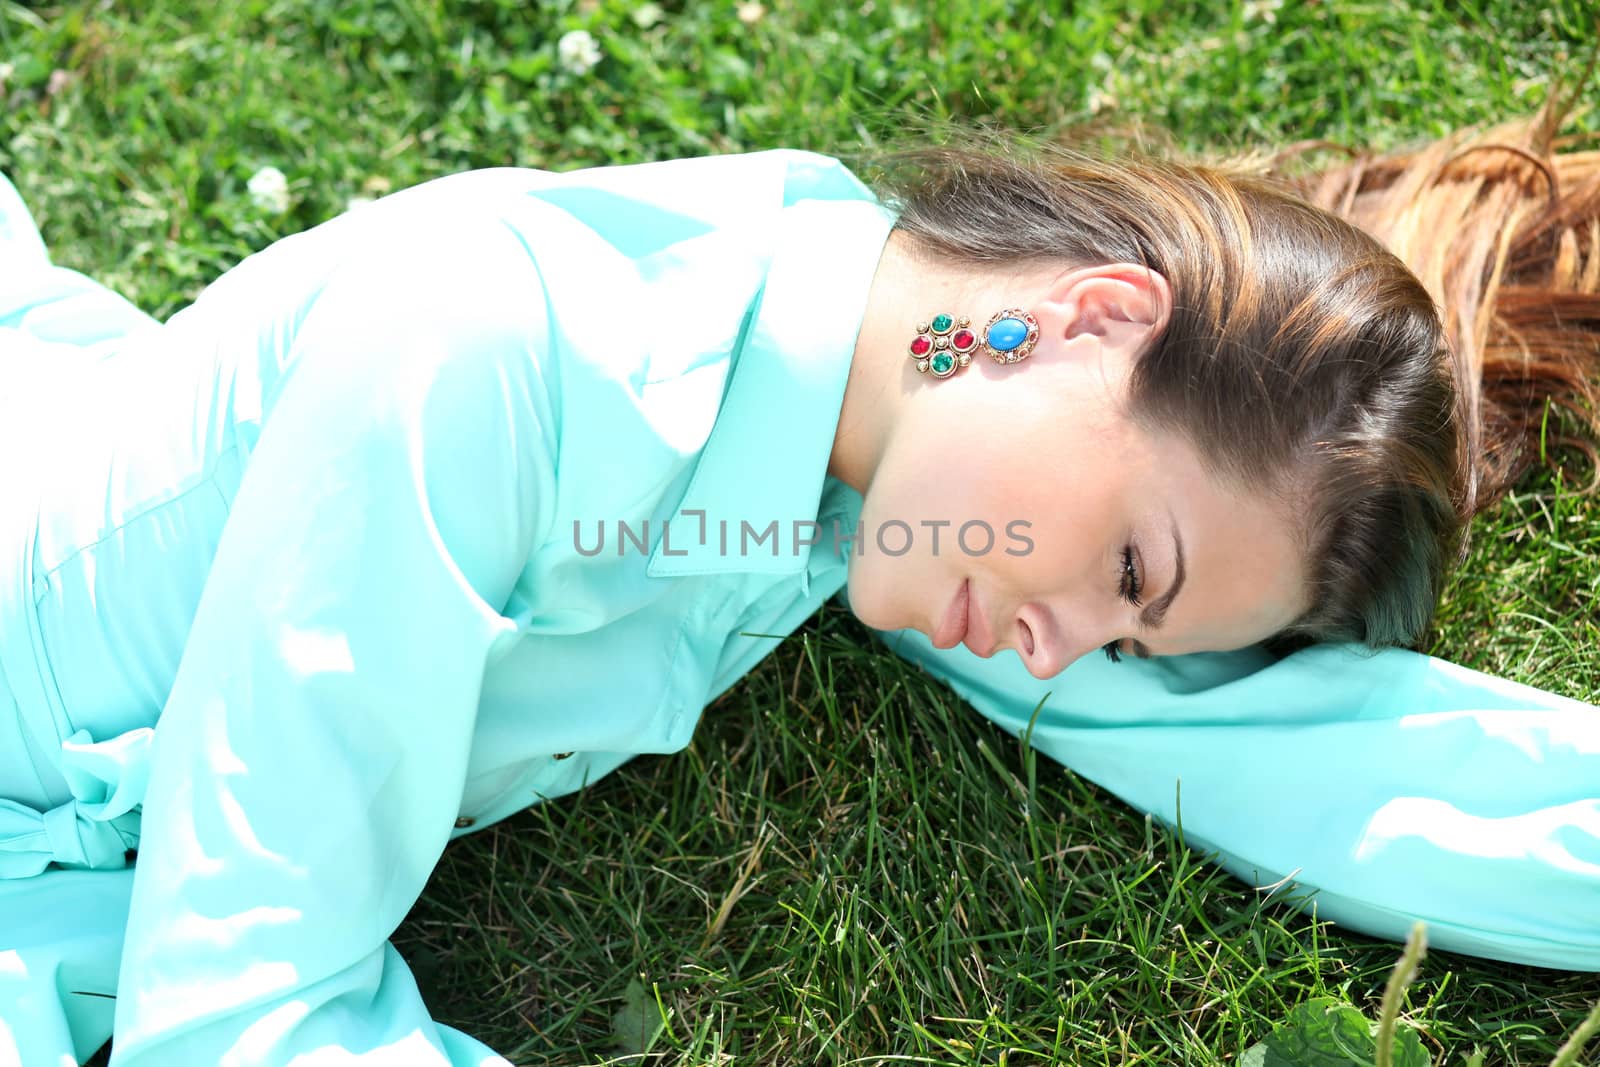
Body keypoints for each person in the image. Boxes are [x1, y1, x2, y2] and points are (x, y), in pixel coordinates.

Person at [0, 92, 1595, 1065]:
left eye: (1128, 635)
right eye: (1128, 572)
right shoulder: (492, 359)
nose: (1061, 658)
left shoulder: (879, 457)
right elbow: (241, 1017)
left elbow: (1282, 754)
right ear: (1096, 314)